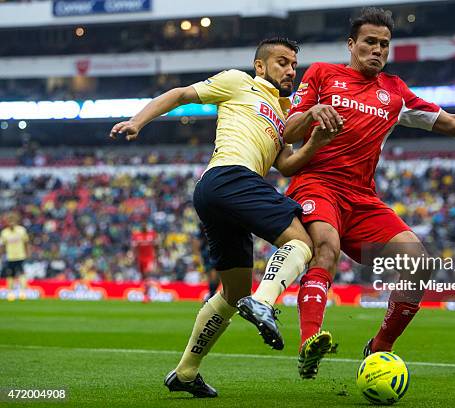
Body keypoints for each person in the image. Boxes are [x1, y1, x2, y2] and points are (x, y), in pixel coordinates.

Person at [241, 7, 455, 379]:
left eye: (384, 44)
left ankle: (380, 346)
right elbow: (287, 130)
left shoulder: (395, 92)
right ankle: (310, 343)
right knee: (326, 247)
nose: (378, 50)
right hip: (317, 185)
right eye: (369, 42)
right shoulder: (322, 74)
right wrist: (315, 111)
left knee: (418, 263)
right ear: (351, 44)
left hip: (363, 199)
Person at [109, 38, 336, 397]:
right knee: (302, 242)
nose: (290, 70)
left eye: (294, 64)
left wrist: (315, 144)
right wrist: (138, 121)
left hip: (218, 192)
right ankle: (263, 303)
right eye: (281, 62)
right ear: (260, 66)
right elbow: (181, 95)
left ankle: (185, 372)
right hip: (231, 175)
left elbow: (287, 165)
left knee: (232, 293)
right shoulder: (237, 81)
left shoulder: (285, 111)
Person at [0, 213, 30, 300]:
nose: (11, 223)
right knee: (10, 275)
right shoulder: (4, 233)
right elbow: (2, 246)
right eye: (10, 221)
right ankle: (10, 294)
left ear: (16, 221)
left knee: (21, 274)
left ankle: (23, 293)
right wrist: (1, 255)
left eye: (13, 221)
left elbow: (26, 242)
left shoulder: (21, 230)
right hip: (10, 257)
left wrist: (27, 253)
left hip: (20, 256)